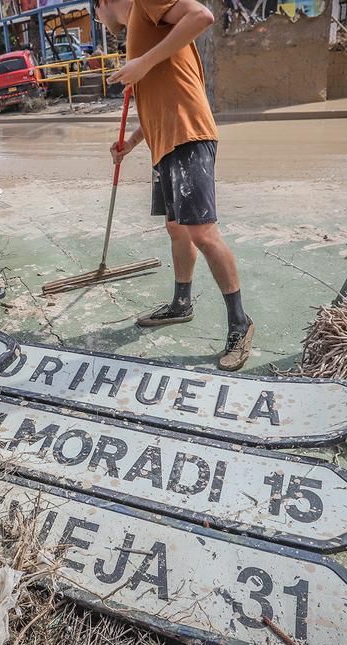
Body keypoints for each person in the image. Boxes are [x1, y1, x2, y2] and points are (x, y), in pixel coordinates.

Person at [99, 0, 254, 371]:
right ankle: (181, 303)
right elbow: (165, 95)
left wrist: (142, 63)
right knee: (177, 230)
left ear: (103, 4)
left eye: (96, 16)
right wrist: (132, 143)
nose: (100, 23)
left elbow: (202, 15)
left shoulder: (145, 4)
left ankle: (240, 322)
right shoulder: (142, 31)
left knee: (201, 232)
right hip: (165, 142)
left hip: (187, 136)